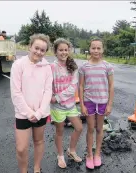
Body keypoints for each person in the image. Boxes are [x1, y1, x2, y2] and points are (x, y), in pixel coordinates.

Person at [10, 33, 53, 173]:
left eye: (42, 50)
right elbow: (16, 93)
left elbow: (48, 91)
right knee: (21, 148)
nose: (38, 52)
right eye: (36, 48)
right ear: (30, 46)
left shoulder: (47, 67)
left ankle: (36, 168)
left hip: (41, 113)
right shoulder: (18, 65)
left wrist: (39, 112)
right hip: (23, 114)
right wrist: (29, 113)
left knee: (38, 141)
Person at [78, 38, 114, 169]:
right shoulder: (84, 67)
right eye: (93, 48)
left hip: (103, 102)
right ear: (90, 49)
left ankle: (97, 153)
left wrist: (109, 104)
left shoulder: (107, 66)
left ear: (103, 50)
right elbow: (81, 86)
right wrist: (81, 104)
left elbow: (111, 86)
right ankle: (89, 155)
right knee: (90, 129)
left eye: (99, 48)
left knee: (99, 129)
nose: (96, 50)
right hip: (89, 102)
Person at [50, 38, 83, 169]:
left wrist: (57, 97)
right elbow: (47, 84)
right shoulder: (51, 67)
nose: (64, 52)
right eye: (61, 50)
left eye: (66, 50)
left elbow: (72, 87)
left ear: (69, 51)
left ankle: (71, 150)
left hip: (69, 105)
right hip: (57, 107)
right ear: (55, 52)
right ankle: (60, 156)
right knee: (60, 131)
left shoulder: (73, 66)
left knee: (79, 128)